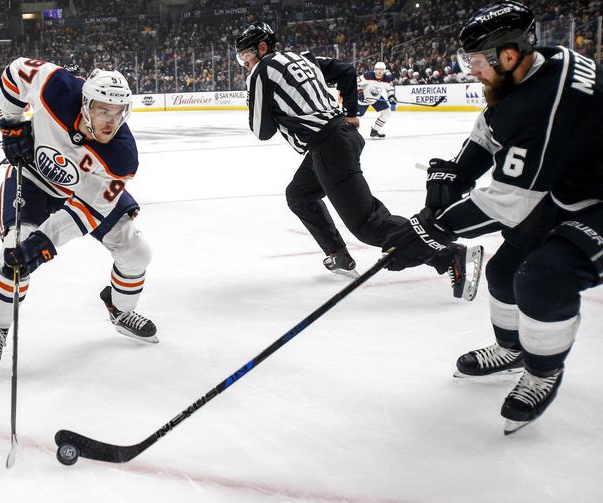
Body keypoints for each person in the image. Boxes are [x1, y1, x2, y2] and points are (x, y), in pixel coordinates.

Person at [381, 1, 603, 434]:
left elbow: (511, 203)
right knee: (505, 268)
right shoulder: (537, 68)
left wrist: (433, 228)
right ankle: (513, 349)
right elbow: (491, 127)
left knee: (543, 276)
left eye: (477, 61)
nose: (471, 70)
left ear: (508, 55)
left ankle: (543, 370)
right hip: (570, 190)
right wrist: (459, 170)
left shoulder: (547, 101)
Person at [234, 22, 483, 299]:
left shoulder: (260, 71)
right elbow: (346, 71)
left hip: (328, 147)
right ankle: (338, 254)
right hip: (339, 136)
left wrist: (269, 104)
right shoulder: (303, 58)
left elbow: (261, 131)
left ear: (263, 47)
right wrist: (351, 112)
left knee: (368, 224)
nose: (245, 63)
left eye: (245, 56)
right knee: (299, 195)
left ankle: (448, 254)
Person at [0, 58, 157, 375]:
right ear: (85, 103)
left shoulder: (121, 154)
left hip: (84, 192)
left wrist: (44, 244)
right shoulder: (57, 86)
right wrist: (13, 123)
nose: (111, 122)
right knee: (12, 255)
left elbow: (87, 210)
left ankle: (120, 309)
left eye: (118, 113)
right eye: (103, 110)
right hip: (32, 179)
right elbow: (15, 71)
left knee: (137, 251)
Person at [356, 61, 397, 138]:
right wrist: (360, 93)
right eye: (377, 69)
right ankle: (348, 132)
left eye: (381, 69)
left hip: (376, 98)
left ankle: (375, 131)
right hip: (364, 98)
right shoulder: (367, 75)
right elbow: (356, 83)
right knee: (355, 115)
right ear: (374, 69)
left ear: (384, 70)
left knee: (387, 112)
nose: (379, 71)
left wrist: (391, 97)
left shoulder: (387, 79)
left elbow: (389, 89)